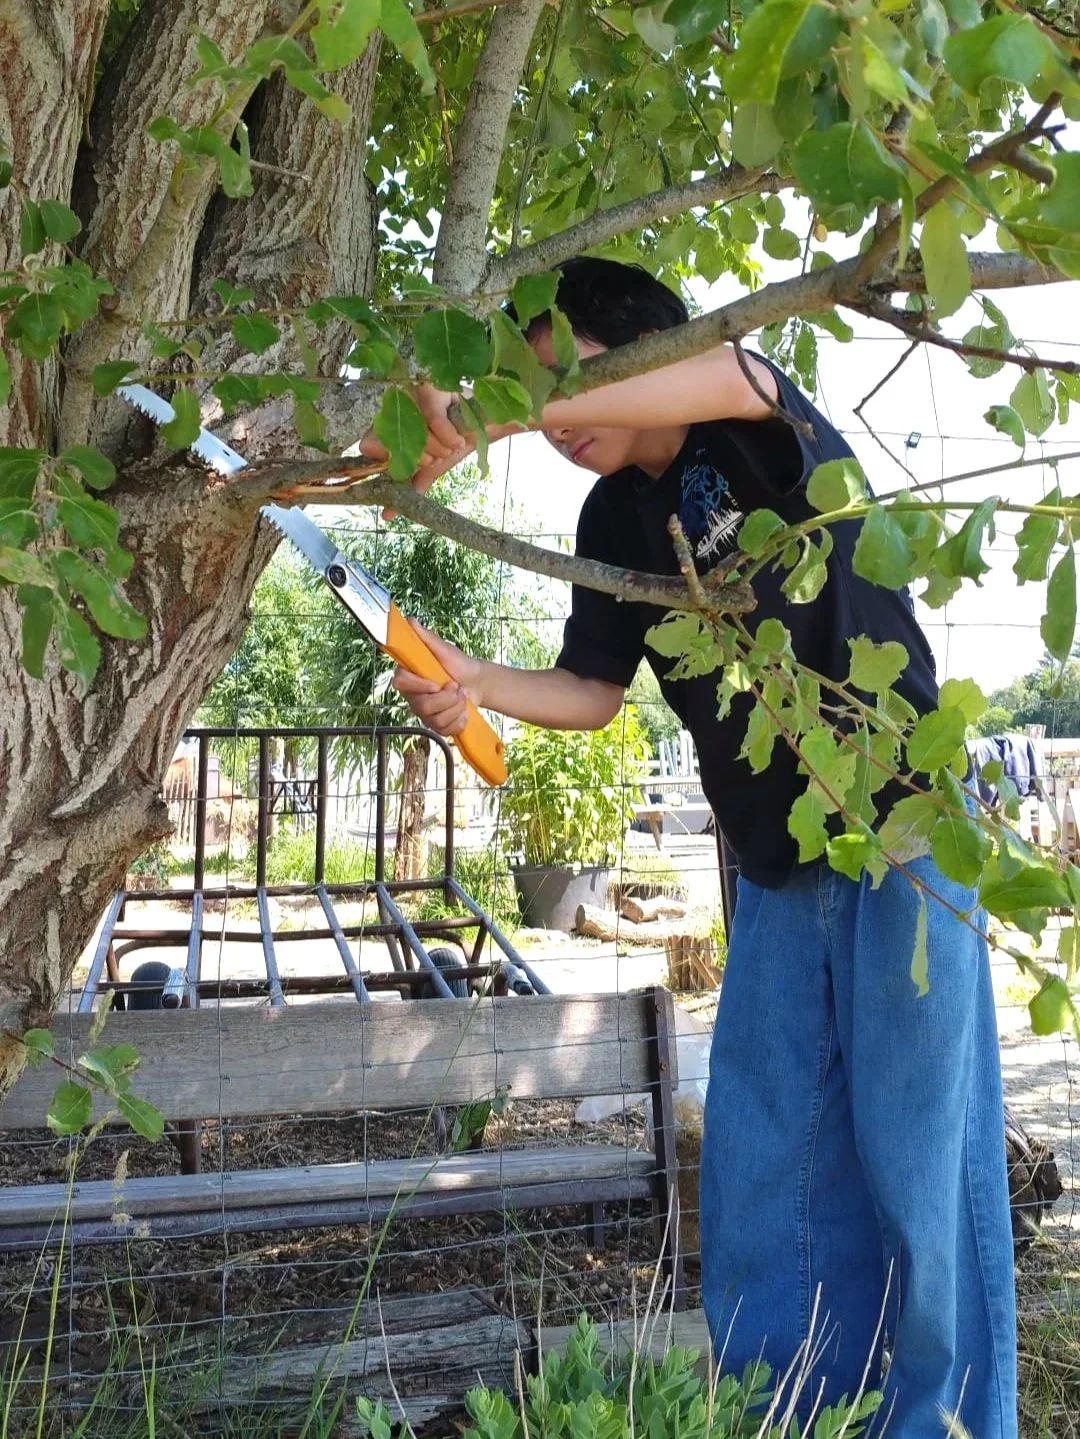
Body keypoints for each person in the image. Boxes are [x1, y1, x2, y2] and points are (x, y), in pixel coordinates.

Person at [370, 257, 1017, 1437]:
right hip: (774, 866)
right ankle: (793, 1414)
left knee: (920, 1157)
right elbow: (590, 686)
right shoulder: (611, 515)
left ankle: (947, 1421)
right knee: (769, 1165)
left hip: (905, 830)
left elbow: (740, 370)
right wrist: (472, 684)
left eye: (564, 373)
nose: (547, 413)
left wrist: (499, 402)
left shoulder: (752, 425)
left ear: (648, 357)